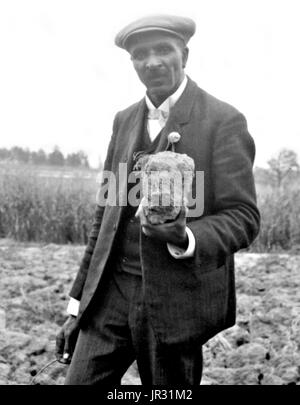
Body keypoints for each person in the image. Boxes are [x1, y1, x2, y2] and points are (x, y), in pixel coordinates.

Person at [56, 14, 260, 385]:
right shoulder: (124, 121)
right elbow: (104, 216)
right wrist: (77, 305)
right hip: (110, 297)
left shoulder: (223, 120)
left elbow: (243, 216)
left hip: (175, 301)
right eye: (140, 54)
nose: (152, 62)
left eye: (163, 50)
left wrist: (186, 238)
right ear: (132, 62)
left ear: (184, 53)